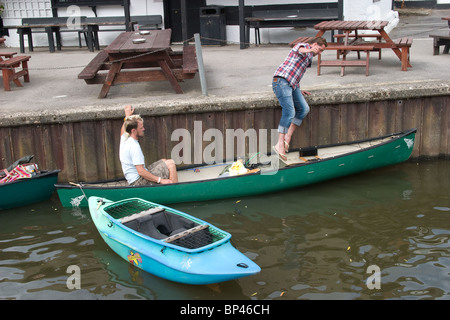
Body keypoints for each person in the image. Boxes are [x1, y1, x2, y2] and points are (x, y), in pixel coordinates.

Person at [272, 37, 327, 162]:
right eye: (319, 49)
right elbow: (298, 49)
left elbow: (297, 72)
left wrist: (298, 89)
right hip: (281, 80)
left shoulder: (309, 57)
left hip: (292, 84)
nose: (319, 53)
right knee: (290, 111)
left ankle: (287, 138)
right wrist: (310, 49)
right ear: (314, 44)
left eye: (321, 51)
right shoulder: (303, 47)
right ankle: (279, 144)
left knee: (304, 109)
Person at [120, 105, 178, 185]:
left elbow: (123, 130)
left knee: (164, 161)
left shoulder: (125, 138)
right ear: (133, 131)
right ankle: (174, 191)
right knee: (171, 163)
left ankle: (168, 186)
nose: (143, 129)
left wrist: (127, 116)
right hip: (137, 183)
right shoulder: (134, 147)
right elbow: (141, 171)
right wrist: (160, 180)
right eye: (141, 128)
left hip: (136, 178)